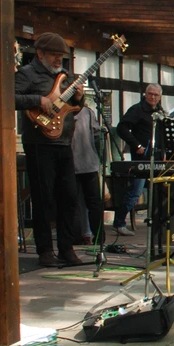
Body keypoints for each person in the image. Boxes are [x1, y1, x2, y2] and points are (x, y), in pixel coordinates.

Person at [15, 32, 85, 269]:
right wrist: (37, 99)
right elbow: (10, 97)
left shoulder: (65, 77)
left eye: (61, 57)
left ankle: (66, 248)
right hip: (39, 143)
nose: (59, 61)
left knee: (69, 197)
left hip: (64, 142)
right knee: (43, 198)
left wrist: (79, 97)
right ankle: (45, 250)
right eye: (55, 56)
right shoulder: (26, 74)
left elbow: (74, 107)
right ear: (40, 54)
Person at [113, 84, 164, 237]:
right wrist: (136, 145)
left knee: (159, 191)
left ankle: (157, 222)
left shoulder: (160, 113)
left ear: (160, 96)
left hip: (157, 158)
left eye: (156, 95)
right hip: (141, 158)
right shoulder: (137, 110)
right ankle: (119, 223)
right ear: (145, 94)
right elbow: (121, 128)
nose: (153, 97)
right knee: (135, 192)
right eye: (150, 94)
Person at [71, 95, 106, 244]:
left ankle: (78, 237)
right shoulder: (87, 112)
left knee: (75, 203)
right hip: (86, 163)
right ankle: (98, 237)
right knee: (92, 203)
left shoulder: (86, 112)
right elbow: (97, 135)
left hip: (78, 163)